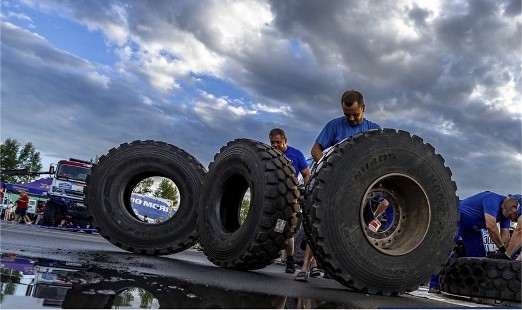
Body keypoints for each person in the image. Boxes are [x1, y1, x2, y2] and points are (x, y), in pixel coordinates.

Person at [296, 89, 382, 282]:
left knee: (362, 229)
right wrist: (328, 167)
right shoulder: (335, 126)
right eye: (347, 114)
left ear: (363, 108)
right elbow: (316, 150)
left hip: (363, 189)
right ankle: (304, 268)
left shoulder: (374, 129)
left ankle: (355, 272)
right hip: (336, 185)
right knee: (319, 223)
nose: (351, 118)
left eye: (355, 114)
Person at [428, 191, 519, 293]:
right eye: (511, 216)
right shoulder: (492, 200)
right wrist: (501, 247)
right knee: (445, 251)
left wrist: (504, 254)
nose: (512, 220)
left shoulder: (506, 214)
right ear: (513, 207)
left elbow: (505, 235)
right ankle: (433, 284)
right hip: (458, 219)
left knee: (479, 258)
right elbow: (491, 226)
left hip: (473, 229)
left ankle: (476, 287)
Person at [269, 128, 311, 274]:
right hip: (271, 201)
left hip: (289, 201)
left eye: (278, 142)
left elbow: (306, 174)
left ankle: (290, 261)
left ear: (285, 140)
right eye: (272, 142)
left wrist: (306, 190)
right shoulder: (268, 155)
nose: (275, 145)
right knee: (273, 229)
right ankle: (270, 254)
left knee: (287, 231)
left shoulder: (296, 155)